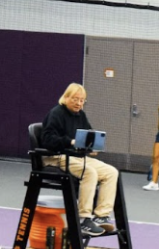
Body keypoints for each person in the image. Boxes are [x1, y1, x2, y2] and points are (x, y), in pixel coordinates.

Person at [40, 83, 119, 238]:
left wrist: (91, 148)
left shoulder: (80, 115)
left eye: (82, 100)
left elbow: (88, 135)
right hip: (56, 157)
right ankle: (84, 218)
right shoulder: (56, 113)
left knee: (111, 172)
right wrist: (69, 142)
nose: (78, 103)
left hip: (76, 157)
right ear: (66, 97)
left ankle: (101, 216)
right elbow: (47, 139)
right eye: (75, 99)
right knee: (89, 173)